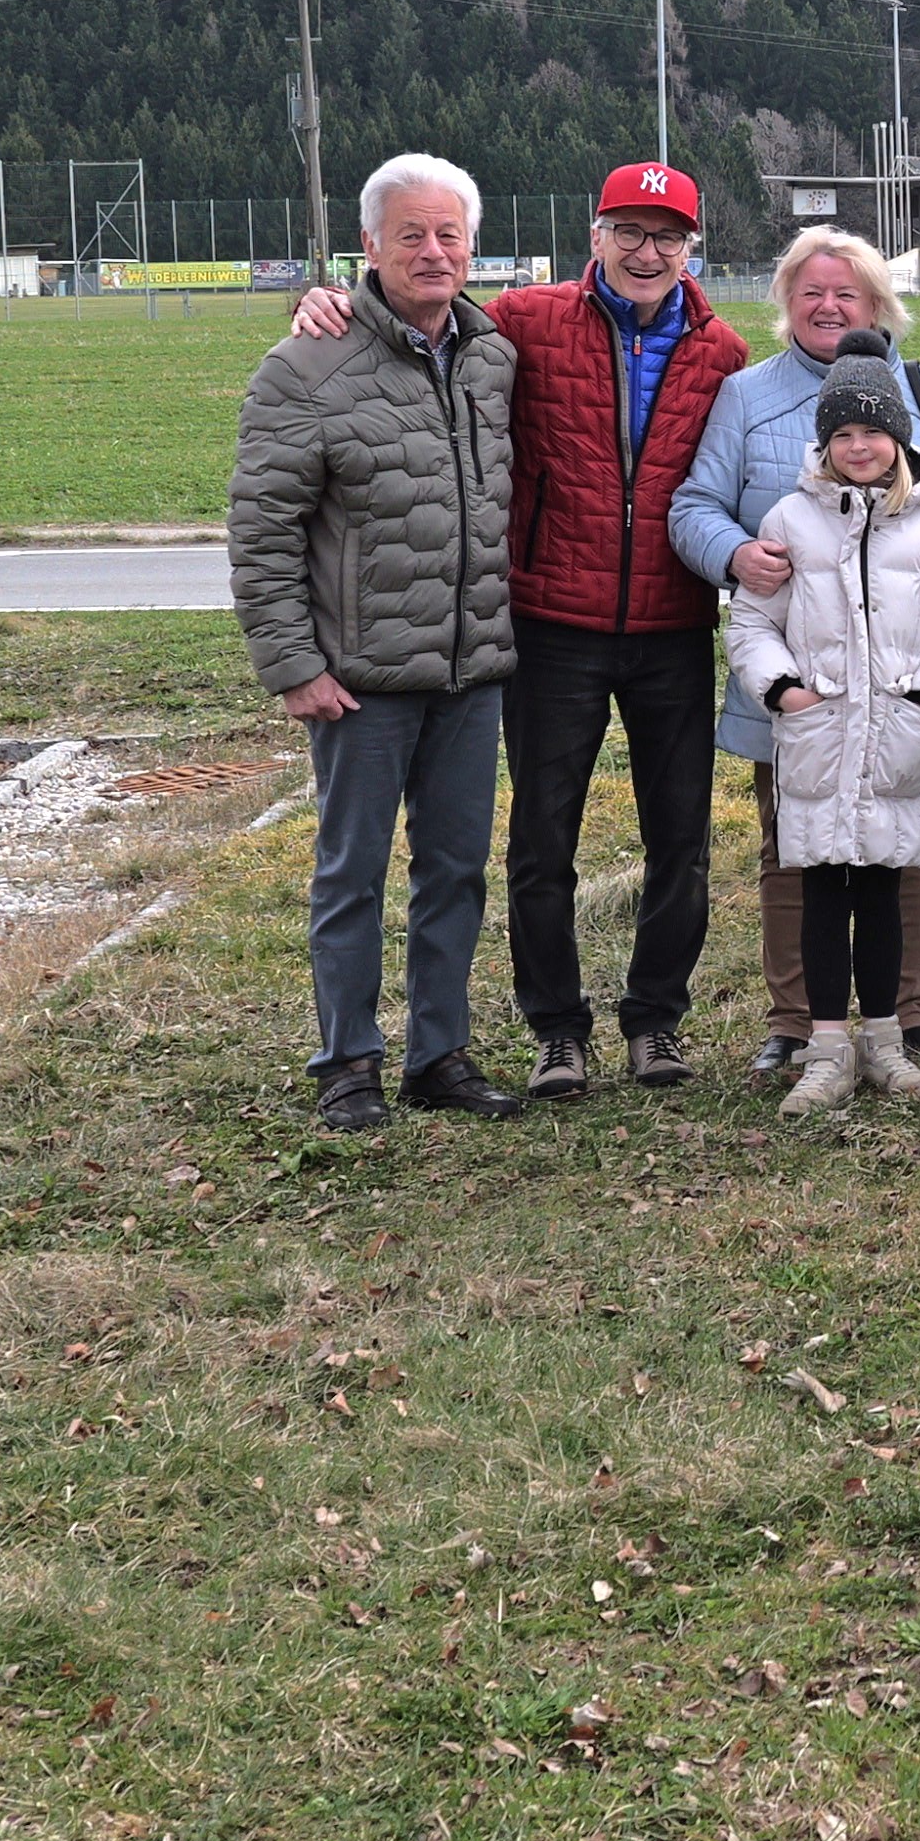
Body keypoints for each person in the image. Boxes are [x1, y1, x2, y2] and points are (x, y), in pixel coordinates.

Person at [285, 162, 748, 1095]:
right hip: (552, 623)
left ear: (691, 248)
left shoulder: (723, 352)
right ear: (596, 236)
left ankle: (655, 1022)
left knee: (681, 839)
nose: (647, 251)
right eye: (629, 230)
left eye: (668, 236)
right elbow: (420, 312)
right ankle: (556, 1030)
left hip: (671, 625)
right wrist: (327, 303)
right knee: (542, 841)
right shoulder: (526, 322)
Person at [229, 153, 527, 1132]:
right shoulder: (305, 365)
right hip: (359, 681)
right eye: (412, 235)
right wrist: (293, 665)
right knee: (349, 874)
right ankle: (346, 1061)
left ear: (471, 245)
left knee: (455, 871)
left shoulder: (492, 354)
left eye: (449, 235)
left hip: (469, 668)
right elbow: (263, 528)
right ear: (370, 246)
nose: (433, 252)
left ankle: (437, 1053)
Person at [671, 226, 920, 1077]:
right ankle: (798, 1020)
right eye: (811, 291)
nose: (828, 306)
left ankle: (908, 1016)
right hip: (799, 678)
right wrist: (735, 554)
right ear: (787, 303)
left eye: (846, 293)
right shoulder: (748, 397)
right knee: (794, 845)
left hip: (901, 670)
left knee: (906, 842)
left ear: (876, 304)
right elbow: (695, 503)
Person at [722, 330, 920, 1113]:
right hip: (817, 741)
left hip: (895, 741)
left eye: (873, 431)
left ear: (898, 438)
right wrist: (783, 692)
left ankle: (885, 1039)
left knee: (881, 891)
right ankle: (825, 1046)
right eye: (842, 433)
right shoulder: (791, 518)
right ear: (824, 442)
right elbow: (751, 622)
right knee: (818, 891)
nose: (858, 445)